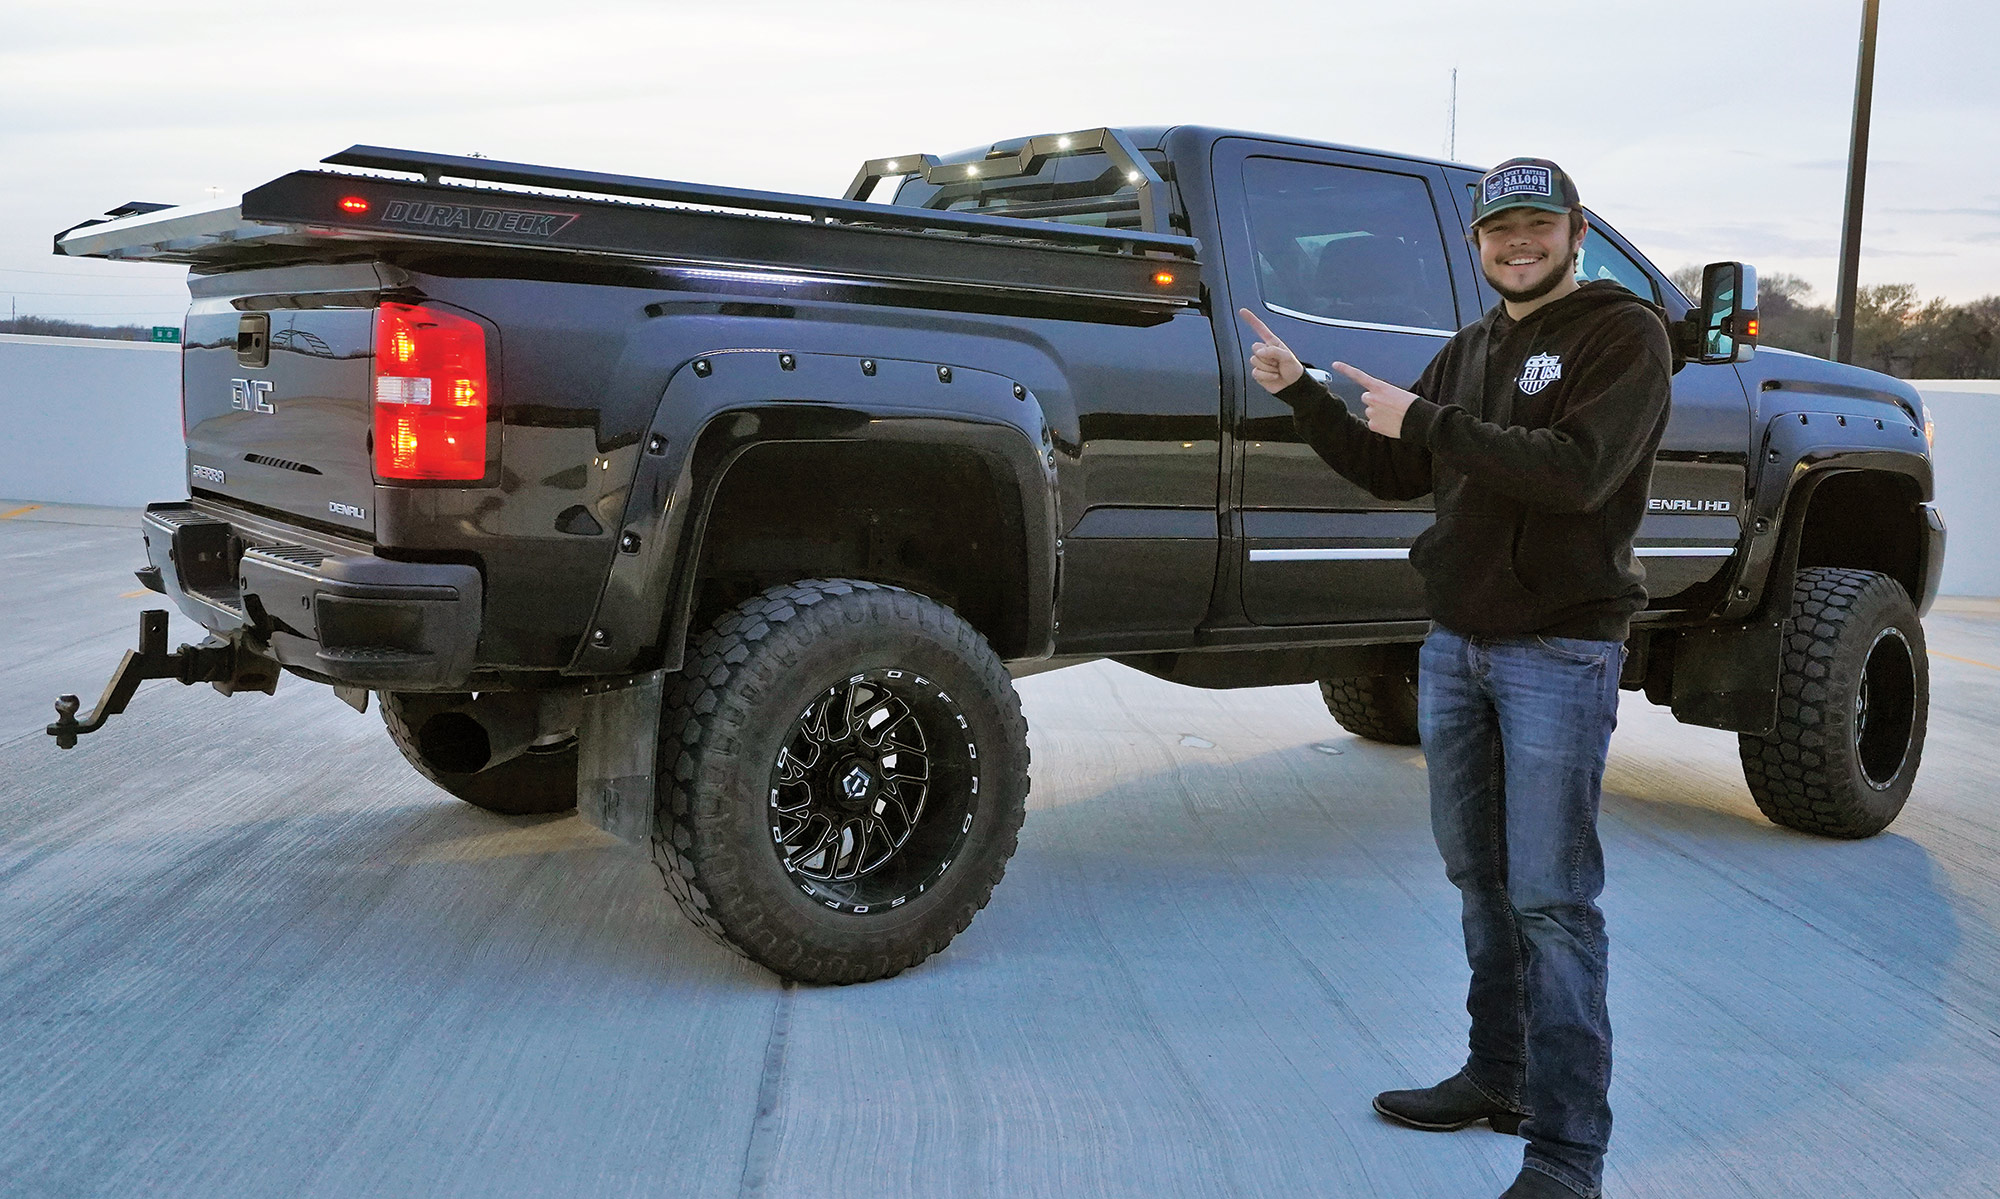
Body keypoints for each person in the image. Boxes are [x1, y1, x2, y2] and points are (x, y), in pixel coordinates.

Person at [1238, 157, 1673, 1199]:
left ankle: (1565, 1154)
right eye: (1497, 231)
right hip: (1457, 643)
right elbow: (1397, 468)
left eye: (1534, 225)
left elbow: (1575, 472)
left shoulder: (1622, 335)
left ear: (1571, 231)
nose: (1515, 244)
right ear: (1476, 244)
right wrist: (1301, 394)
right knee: (1478, 879)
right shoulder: (1470, 347)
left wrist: (1424, 421)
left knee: (1552, 900)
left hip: (1559, 648)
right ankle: (1497, 1074)